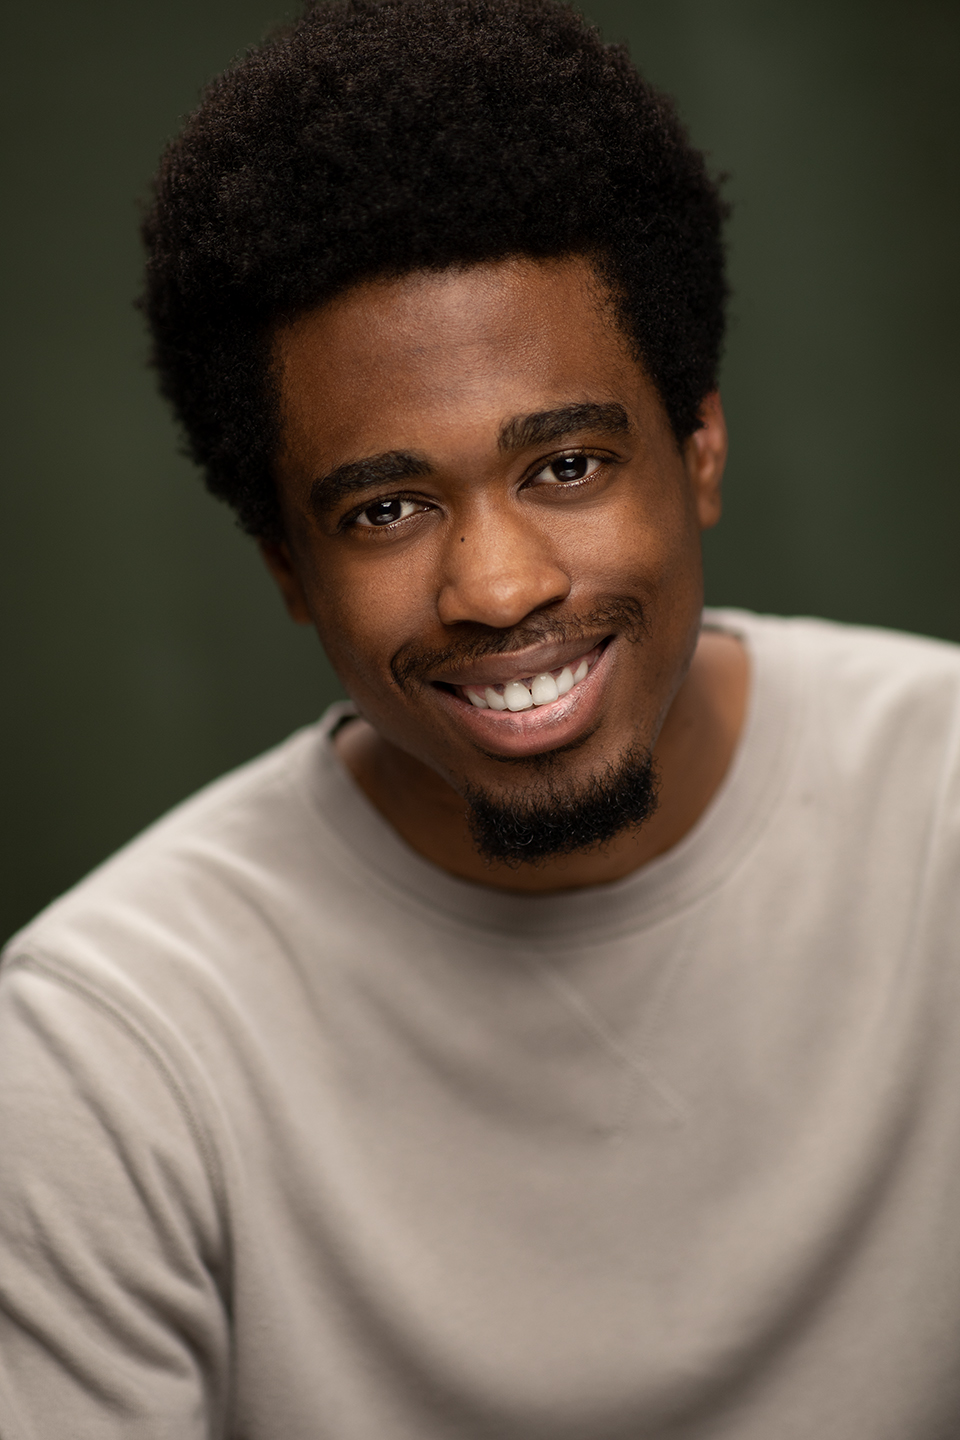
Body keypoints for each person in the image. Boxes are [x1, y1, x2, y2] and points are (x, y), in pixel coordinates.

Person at [2, 0, 959, 1435]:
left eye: (567, 464)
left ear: (699, 450)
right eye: (385, 509)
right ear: (289, 571)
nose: (499, 587)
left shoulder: (944, 808)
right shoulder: (110, 1055)